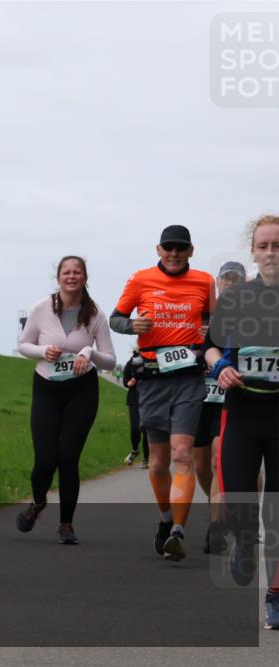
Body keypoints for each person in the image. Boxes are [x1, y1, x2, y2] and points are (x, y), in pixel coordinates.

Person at [110, 225, 215, 562]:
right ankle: (166, 518)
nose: (174, 254)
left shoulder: (205, 281)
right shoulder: (140, 279)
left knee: (182, 453)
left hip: (189, 378)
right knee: (158, 462)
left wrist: (211, 331)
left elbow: (217, 323)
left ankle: (178, 532)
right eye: (168, 248)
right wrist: (131, 325)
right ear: (158, 249)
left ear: (191, 251)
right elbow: (115, 318)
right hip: (153, 379)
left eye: (180, 248)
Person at [204, 214, 279, 629]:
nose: (271, 253)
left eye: (277, 246)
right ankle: (245, 543)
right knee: (238, 499)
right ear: (253, 252)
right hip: (242, 412)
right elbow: (210, 348)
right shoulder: (235, 300)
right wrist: (220, 368)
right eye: (263, 246)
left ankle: (276, 595)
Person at [17, 256, 116, 544]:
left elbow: (110, 360)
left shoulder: (95, 314)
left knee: (68, 458)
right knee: (45, 459)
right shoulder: (42, 308)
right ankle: (37, 502)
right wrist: (43, 351)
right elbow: (24, 345)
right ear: (58, 277)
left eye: (77, 272)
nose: (71, 277)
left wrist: (89, 353)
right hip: (46, 388)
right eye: (66, 272)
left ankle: (66, 524)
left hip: (81, 391)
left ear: (85, 278)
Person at [197, 261, 247, 555]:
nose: (230, 284)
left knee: (219, 461)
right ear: (217, 283)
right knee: (201, 465)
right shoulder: (202, 311)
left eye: (235, 279)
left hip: (230, 395)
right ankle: (218, 504)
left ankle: (218, 524)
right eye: (226, 279)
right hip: (201, 395)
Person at [123, 350, 151, 468]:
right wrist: (129, 382)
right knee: (135, 428)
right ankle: (135, 450)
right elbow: (126, 379)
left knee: (146, 429)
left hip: (150, 399)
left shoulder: (153, 358)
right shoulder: (133, 359)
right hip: (134, 399)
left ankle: (146, 458)